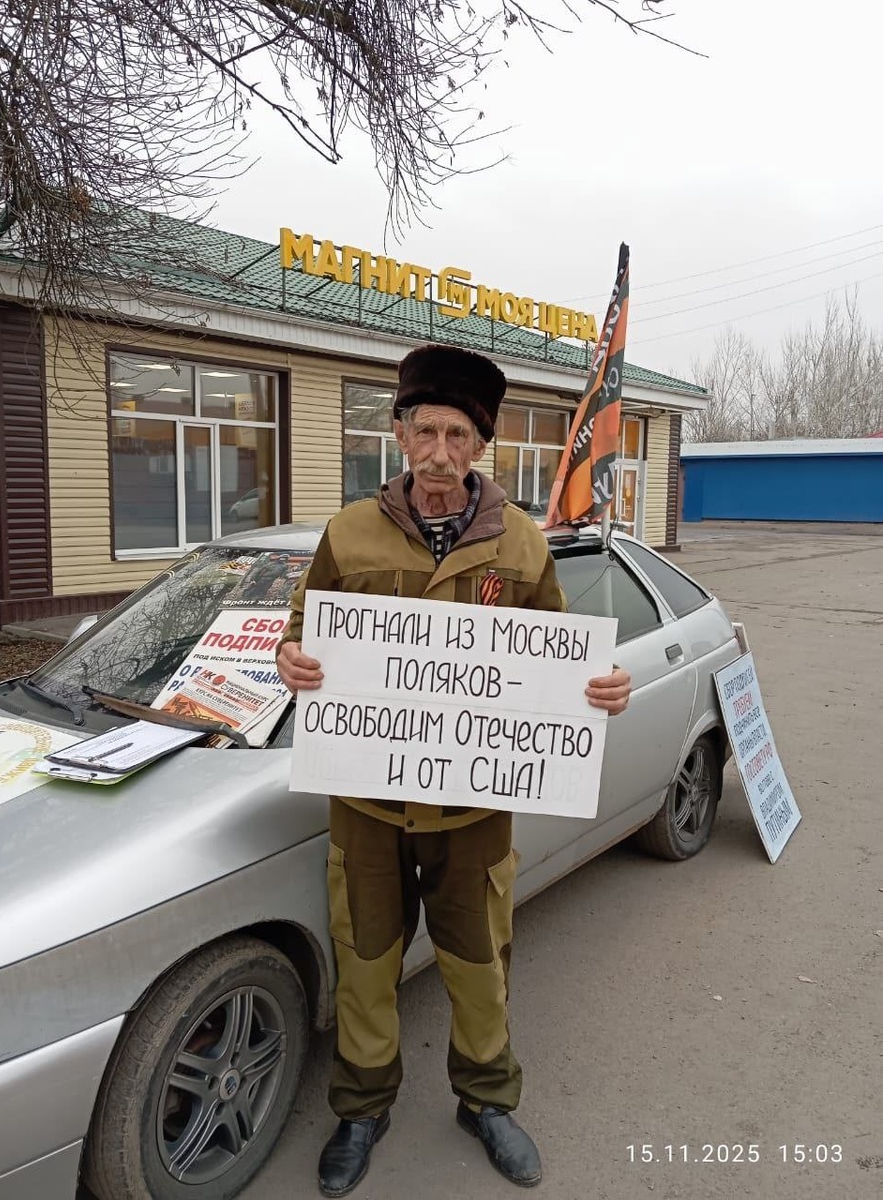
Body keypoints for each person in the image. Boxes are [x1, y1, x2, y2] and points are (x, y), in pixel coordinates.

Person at [276, 344, 631, 1197]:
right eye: (425, 431)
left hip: (474, 810)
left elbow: (556, 661)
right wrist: (291, 657)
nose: (439, 453)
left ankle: (486, 1101)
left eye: (457, 435)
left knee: (479, 963)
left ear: (480, 445)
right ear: (399, 434)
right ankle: (362, 1109)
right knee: (365, 962)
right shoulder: (346, 534)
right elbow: (300, 630)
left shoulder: (521, 542)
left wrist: (599, 689)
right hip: (367, 803)